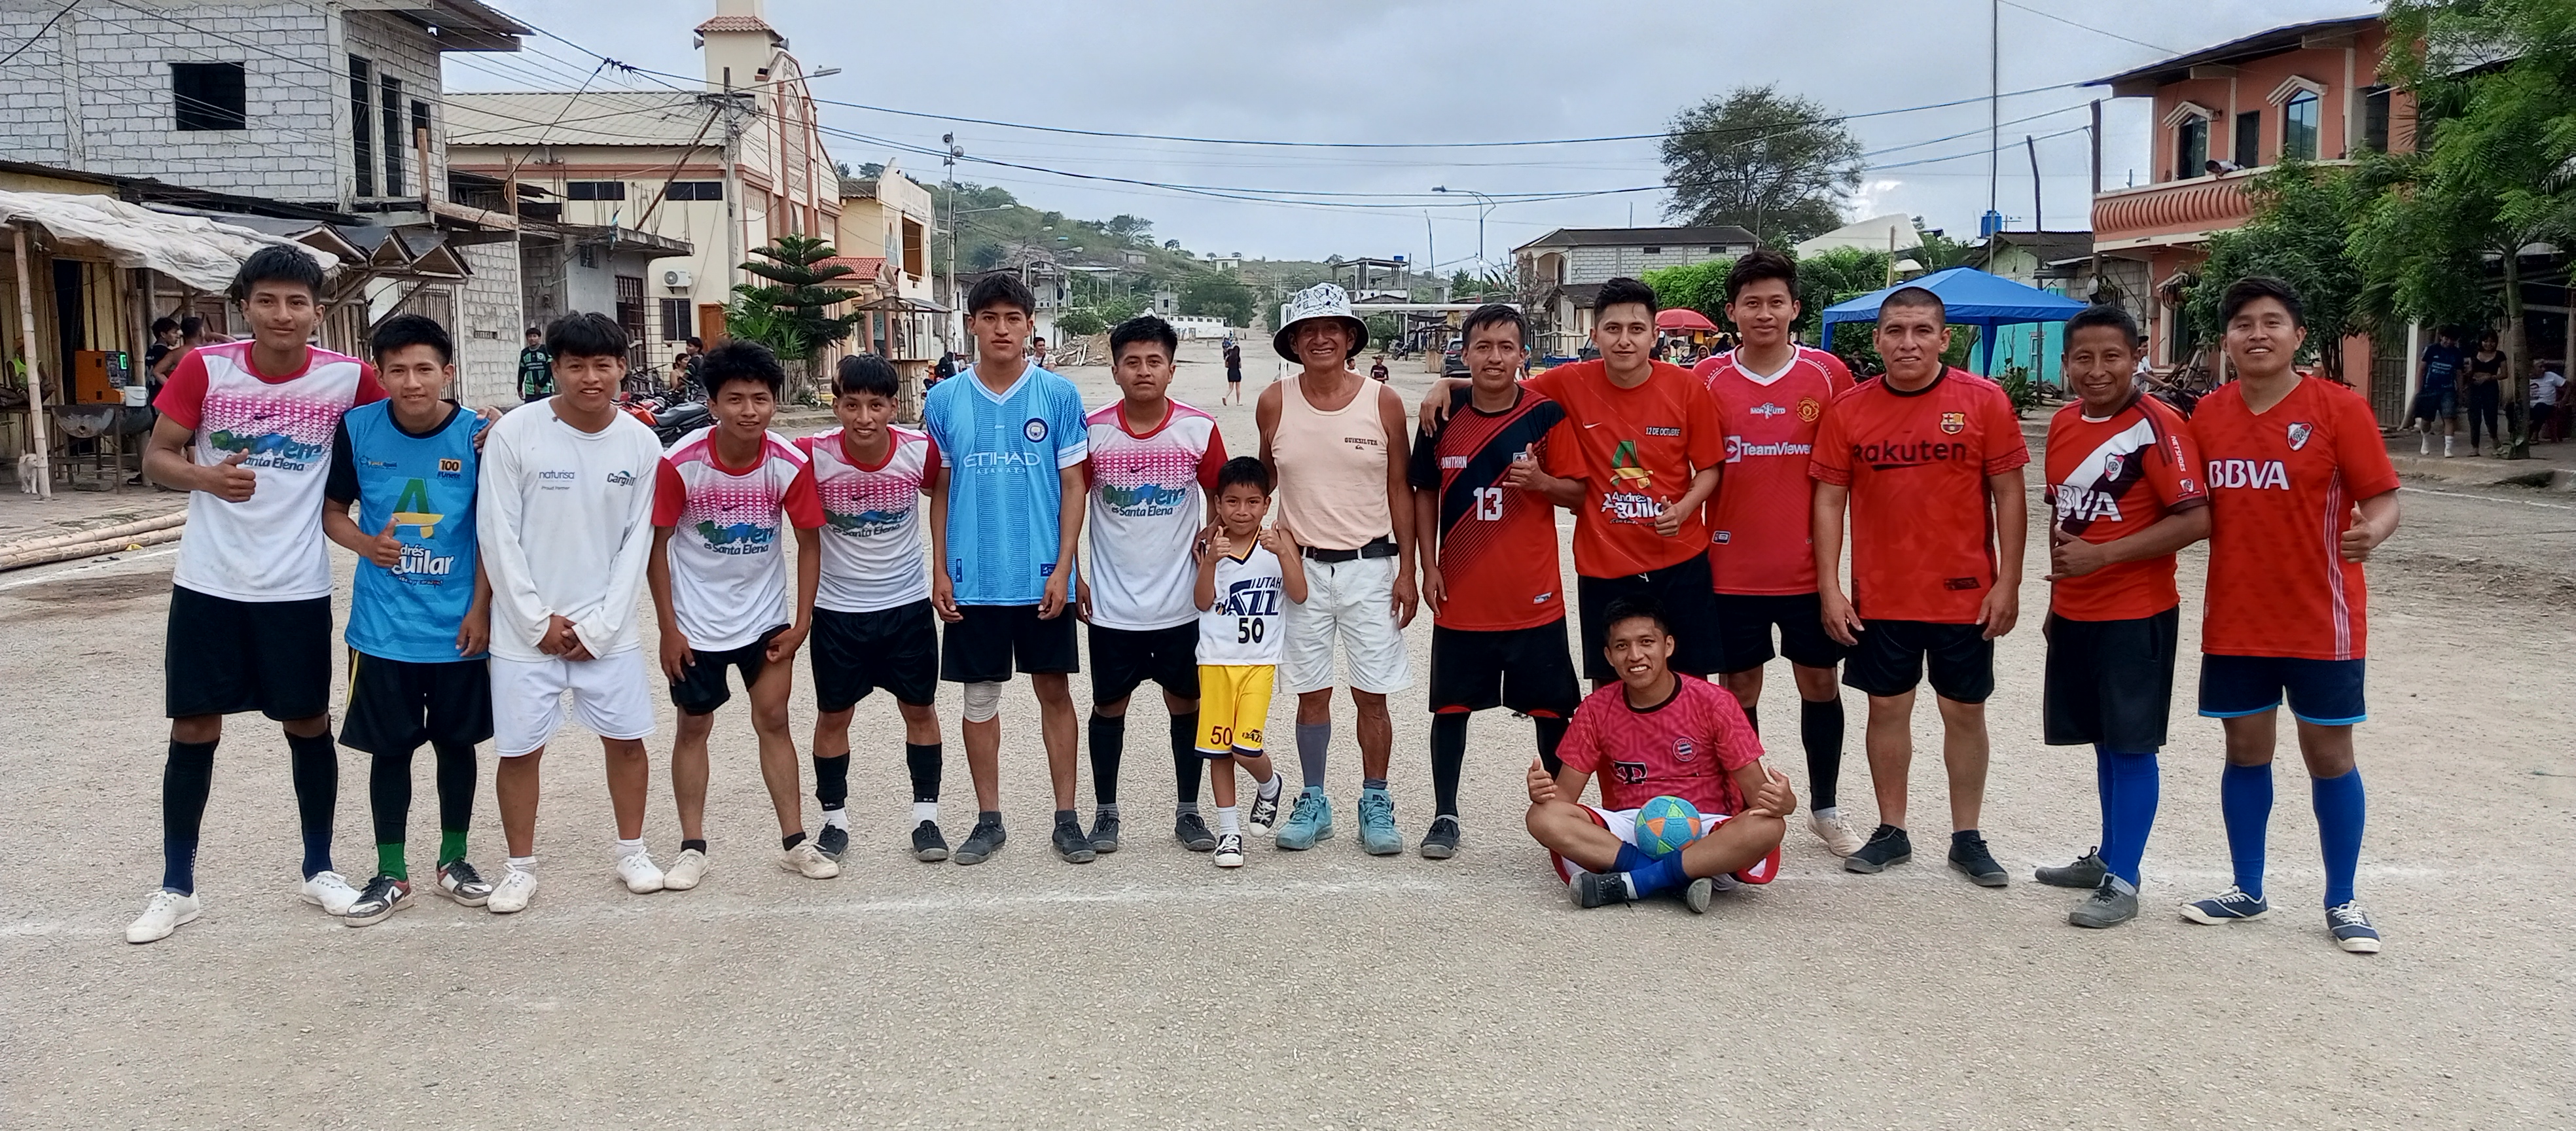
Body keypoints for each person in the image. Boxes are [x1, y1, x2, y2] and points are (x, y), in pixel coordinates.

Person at [126, 245, 386, 943]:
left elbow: (403, 429)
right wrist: (206, 478)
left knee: (307, 723)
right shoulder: (205, 368)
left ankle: (320, 869)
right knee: (194, 728)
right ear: (245, 306)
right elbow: (157, 457)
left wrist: (481, 426)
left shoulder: (348, 379)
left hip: (295, 587)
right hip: (208, 582)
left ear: (317, 313)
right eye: (267, 300)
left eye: (296, 302)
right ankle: (177, 886)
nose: (282, 314)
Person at [2181, 276, 2401, 955]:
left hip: (2321, 621)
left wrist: (2375, 531)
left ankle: (2343, 899)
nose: (2258, 334)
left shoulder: (2339, 409)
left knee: (2329, 756)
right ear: (2226, 340)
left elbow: (2383, 498)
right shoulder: (2207, 417)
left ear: (2298, 335)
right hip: (2237, 620)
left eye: (2272, 321)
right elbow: (2182, 507)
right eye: (2243, 323)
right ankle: (2247, 889)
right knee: (2245, 751)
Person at [1808, 286, 2028, 887]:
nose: (1909, 343)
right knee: (1887, 708)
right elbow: (1829, 500)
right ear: (1877, 339)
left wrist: (2008, 582)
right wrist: (1830, 587)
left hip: (1964, 593)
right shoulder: (1849, 410)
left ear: (1944, 339)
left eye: (1922, 331)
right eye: (1896, 331)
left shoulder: (1983, 401)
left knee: (1964, 711)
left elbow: (2009, 495)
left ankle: (1967, 837)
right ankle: (1892, 830)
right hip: (1881, 595)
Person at [1425, 278, 1727, 687]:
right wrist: (1445, 384)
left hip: (1680, 560)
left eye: (1637, 329)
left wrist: (1685, 508)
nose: (1624, 340)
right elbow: (1503, 384)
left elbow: (1710, 468)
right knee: (1610, 684)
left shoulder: (1687, 388)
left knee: (1691, 682)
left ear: (1655, 335)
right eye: (1613, 329)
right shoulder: (1568, 381)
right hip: (1605, 563)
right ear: (1594, 334)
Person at [476, 312, 668, 914]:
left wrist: (602, 626)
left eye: (602, 366)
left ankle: (633, 852)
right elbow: (497, 533)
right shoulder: (516, 433)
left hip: (605, 631)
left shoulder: (641, 442)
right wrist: (536, 621)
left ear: (622, 368)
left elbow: (637, 542)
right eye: (576, 366)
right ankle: (519, 868)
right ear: (554, 368)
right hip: (524, 632)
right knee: (518, 751)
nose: (590, 378)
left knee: (628, 742)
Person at [2030, 305, 2211, 928]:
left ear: (2137, 358)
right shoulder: (2063, 423)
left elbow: (2197, 519)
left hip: (2136, 613)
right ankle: (2108, 856)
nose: (2097, 370)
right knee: (2104, 740)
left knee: (2132, 745)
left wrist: (2104, 556)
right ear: (2065, 363)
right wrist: (2057, 598)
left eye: (2112, 357)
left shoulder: (2158, 426)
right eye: (2083, 358)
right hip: (2076, 611)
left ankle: (2125, 879)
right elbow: (2063, 515)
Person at [318, 314, 499, 926]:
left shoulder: (478, 436)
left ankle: (454, 860)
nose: (412, 382)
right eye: (397, 370)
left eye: (425, 369)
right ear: (380, 374)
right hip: (382, 629)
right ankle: (390, 871)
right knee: (389, 751)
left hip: (459, 628)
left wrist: (481, 609)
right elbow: (333, 512)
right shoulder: (357, 428)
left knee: (457, 745)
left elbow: (493, 531)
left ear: (448, 372)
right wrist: (365, 545)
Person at [1691, 250, 1861, 857]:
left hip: (1806, 571)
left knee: (1819, 681)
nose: (1764, 313)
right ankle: (1748, 804)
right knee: (1739, 689)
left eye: (1776, 302)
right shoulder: (1706, 378)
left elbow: (1849, 463)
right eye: (1752, 303)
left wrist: (1835, 581)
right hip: (1729, 569)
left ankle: (1825, 807)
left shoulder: (1827, 374)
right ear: (1731, 312)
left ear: (1795, 308)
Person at [647, 341, 832, 887]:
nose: (749, 411)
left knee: (774, 721)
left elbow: (810, 544)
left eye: (760, 399)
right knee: (693, 726)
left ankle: (796, 843)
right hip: (695, 623)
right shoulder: (681, 462)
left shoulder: (788, 463)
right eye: (735, 399)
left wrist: (801, 623)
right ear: (712, 404)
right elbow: (656, 549)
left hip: (764, 619)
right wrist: (668, 629)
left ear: (773, 402)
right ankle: (692, 848)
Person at [923, 274, 1090, 864]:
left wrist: (1065, 568)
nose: (1001, 328)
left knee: (1055, 692)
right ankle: (988, 819)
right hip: (974, 578)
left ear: (1029, 326)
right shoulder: (944, 399)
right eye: (989, 317)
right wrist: (940, 569)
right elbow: (941, 488)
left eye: (1012, 318)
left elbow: (1075, 486)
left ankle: (1067, 818)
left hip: (1041, 574)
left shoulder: (1059, 395)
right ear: (971, 324)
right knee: (979, 699)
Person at [1408, 302, 1578, 860]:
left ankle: (1560, 817)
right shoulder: (1440, 415)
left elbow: (1581, 494)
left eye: (1507, 347)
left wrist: (1543, 482)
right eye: (1483, 347)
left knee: (1553, 712)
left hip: (1534, 598)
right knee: (1450, 710)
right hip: (1463, 595)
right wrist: (1429, 564)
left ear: (1524, 354)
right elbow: (1423, 491)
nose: (1495, 357)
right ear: (1465, 354)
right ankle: (1445, 815)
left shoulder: (1546, 415)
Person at [1257, 282, 1418, 855]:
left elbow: (1400, 488)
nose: (1320, 339)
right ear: (1294, 342)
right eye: (1308, 330)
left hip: (1369, 568)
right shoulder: (1275, 401)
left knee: (1373, 694)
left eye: (1332, 329)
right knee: (1311, 693)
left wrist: (1408, 570)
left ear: (1351, 338)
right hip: (1300, 569)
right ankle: (1314, 799)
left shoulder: (1383, 401)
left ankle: (1376, 799)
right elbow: (1264, 480)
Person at [1525, 597, 1793, 912]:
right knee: (1542, 816)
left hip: (1703, 829)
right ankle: (1672, 878)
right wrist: (1543, 793)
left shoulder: (1714, 703)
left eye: (1646, 642)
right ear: (1609, 656)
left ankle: (1634, 881)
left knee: (1769, 826)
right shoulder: (1596, 709)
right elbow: (1563, 800)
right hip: (1631, 828)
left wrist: (1786, 803)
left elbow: (1759, 796)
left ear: (1668, 646)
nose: (1635, 655)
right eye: (1622, 646)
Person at [1079, 315, 1230, 853]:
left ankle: (1189, 812)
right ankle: (1106, 812)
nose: (1143, 371)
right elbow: (1069, 502)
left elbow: (1221, 493)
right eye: (1132, 362)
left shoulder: (1198, 429)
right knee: (1108, 708)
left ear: (1170, 369)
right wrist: (1074, 575)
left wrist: (1212, 534)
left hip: (1180, 606)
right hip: (1112, 607)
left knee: (1185, 706)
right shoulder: (1093, 430)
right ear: (1115, 369)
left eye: (1154, 361)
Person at [799, 353, 950, 862]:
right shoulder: (811, 454)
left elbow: (942, 499)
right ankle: (833, 821)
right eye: (852, 405)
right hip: (838, 613)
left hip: (905, 608)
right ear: (836, 405)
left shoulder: (920, 451)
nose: (864, 418)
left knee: (920, 711)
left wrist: (941, 572)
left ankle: (926, 818)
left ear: (893, 406)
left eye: (876, 405)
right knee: (833, 716)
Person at [1191, 458, 1303, 867]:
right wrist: (1209, 562)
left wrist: (1284, 553)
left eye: (1253, 502)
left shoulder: (1277, 541)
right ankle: (1229, 833)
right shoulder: (1212, 545)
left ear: (1266, 504)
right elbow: (1202, 601)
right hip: (1216, 662)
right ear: (1218, 504)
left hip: (1259, 662)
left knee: (1245, 748)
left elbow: (1300, 594)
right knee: (1219, 751)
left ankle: (1270, 784)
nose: (1242, 511)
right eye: (1233, 502)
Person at [2408, 329, 2463, 458]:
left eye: (2452, 340)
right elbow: (2421, 369)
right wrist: (2418, 389)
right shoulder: (2431, 350)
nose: (2448, 342)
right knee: (2426, 420)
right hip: (2429, 389)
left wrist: (2460, 392)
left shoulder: (2457, 353)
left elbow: (2459, 374)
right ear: (2441, 337)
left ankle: (2448, 449)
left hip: (2448, 390)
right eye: (2446, 339)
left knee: (2449, 418)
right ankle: (2425, 441)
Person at [2465, 332, 2505, 456]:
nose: (2489, 344)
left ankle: (2494, 440)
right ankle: (2475, 447)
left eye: (2492, 341)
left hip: (2490, 387)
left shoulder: (2500, 355)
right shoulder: (2474, 353)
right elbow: (2469, 369)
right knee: (2474, 417)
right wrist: (2468, 373)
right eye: (2486, 341)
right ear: (2481, 342)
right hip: (2474, 387)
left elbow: (2505, 374)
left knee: (2491, 416)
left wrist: (2489, 377)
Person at [517, 327, 553, 404]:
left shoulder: (546, 350)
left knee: (546, 409)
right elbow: (521, 371)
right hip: (530, 390)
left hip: (545, 389)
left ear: (539, 338)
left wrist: (541, 384)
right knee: (530, 410)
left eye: (534, 336)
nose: (532, 339)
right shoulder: (524, 353)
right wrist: (519, 387)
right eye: (530, 336)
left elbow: (550, 369)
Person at [2533, 360, 2566, 442]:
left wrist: (2564, 400)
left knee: (2540, 407)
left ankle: (2534, 433)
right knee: (2510, 407)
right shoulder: (2524, 379)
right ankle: (2514, 434)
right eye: (2540, 367)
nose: (2544, 369)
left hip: (2546, 406)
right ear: (2531, 369)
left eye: (2544, 367)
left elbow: (2569, 385)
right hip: (2529, 407)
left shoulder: (2551, 376)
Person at [1221, 335, 1244, 404]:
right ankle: (1238, 402)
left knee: (1230, 388)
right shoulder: (1238, 358)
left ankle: (1225, 396)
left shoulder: (1228, 357)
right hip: (1237, 371)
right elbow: (1240, 366)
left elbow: (1226, 366)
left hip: (1230, 372)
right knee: (1238, 388)